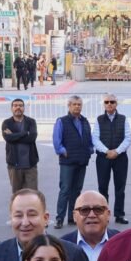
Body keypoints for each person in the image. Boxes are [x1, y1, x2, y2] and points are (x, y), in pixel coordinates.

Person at [90, 95, 131, 224]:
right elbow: (95, 138)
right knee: (103, 187)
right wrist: (107, 151)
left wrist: (117, 151)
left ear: (116, 104)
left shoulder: (123, 119)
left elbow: (128, 138)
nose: (109, 104)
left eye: (112, 102)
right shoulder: (99, 119)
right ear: (104, 104)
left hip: (120, 158)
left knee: (120, 187)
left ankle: (119, 215)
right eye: (106, 102)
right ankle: (103, 214)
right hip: (103, 157)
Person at [52, 96, 93, 229]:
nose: (77, 107)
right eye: (74, 104)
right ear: (69, 106)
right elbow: (57, 141)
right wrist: (63, 151)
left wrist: (90, 150)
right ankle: (59, 218)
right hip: (68, 161)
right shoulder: (62, 121)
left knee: (77, 190)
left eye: (79, 104)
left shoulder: (84, 121)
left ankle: (72, 217)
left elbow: (89, 138)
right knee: (65, 189)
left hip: (82, 160)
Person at [3, 99, 40, 194]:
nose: (18, 107)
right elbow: (8, 138)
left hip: (30, 165)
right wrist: (24, 133)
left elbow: (31, 138)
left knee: (32, 195)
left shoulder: (31, 122)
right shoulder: (7, 123)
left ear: (24, 108)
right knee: (17, 195)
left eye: (20, 105)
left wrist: (14, 135)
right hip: (14, 166)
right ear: (11, 108)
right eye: (15, 105)